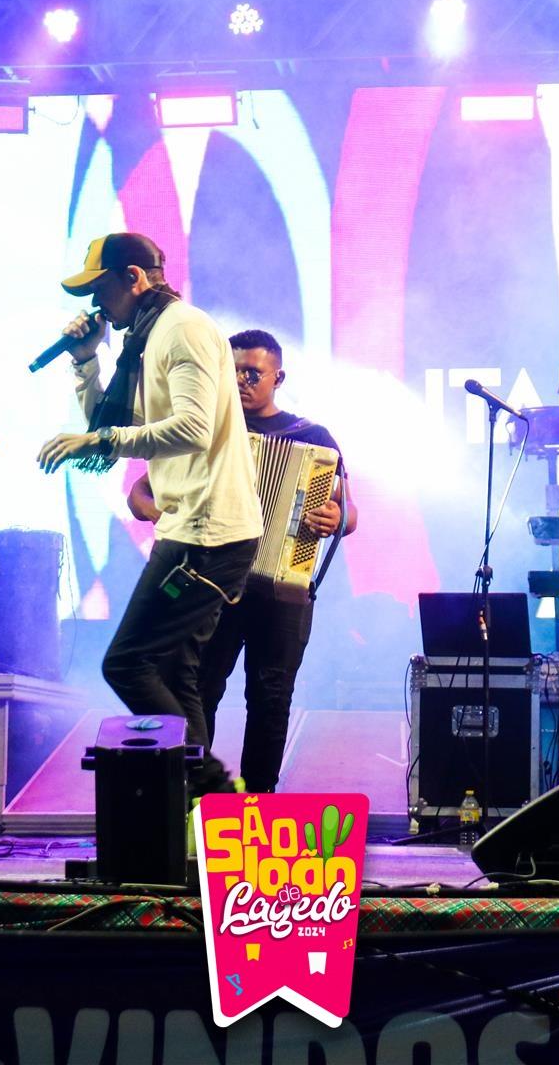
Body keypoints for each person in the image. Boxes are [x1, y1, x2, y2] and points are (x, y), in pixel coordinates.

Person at [37, 232, 263, 794]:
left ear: (134, 278)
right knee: (174, 669)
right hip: (191, 526)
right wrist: (86, 362)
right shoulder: (145, 338)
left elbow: (192, 429)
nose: (96, 304)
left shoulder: (182, 329)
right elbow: (116, 423)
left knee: (127, 663)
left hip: (208, 533)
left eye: (100, 289)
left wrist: (101, 441)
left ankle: (212, 787)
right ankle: (201, 808)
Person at [127, 329, 358, 793]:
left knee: (271, 698)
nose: (240, 380)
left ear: (278, 378)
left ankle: (259, 802)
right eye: (233, 371)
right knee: (199, 689)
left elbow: (348, 511)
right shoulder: (203, 430)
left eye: (253, 373)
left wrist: (336, 517)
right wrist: (164, 516)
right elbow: (140, 493)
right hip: (211, 584)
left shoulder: (312, 438)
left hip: (282, 586)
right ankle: (195, 796)